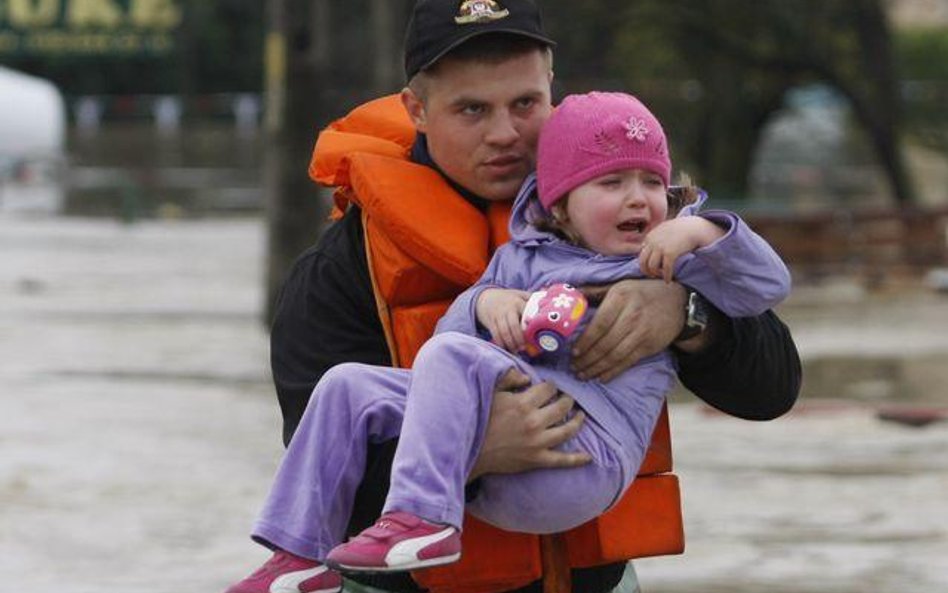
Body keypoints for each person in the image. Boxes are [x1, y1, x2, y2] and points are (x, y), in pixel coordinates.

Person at [264, 1, 801, 592]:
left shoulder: (633, 218)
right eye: (472, 109)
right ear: (417, 109)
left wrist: (685, 314)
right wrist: (473, 452)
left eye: (525, 104)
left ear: (551, 86)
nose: (504, 134)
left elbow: (773, 390)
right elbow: (319, 464)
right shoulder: (338, 270)